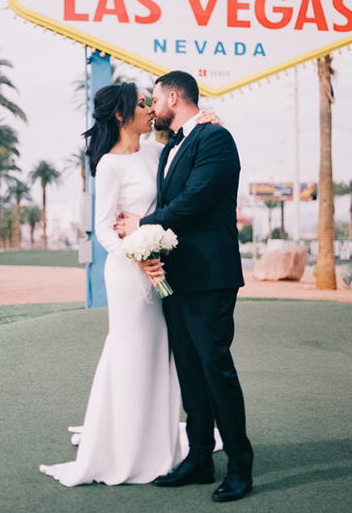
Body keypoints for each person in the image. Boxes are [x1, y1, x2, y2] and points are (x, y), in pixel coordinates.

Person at [39, 82, 219, 487]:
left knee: (162, 358)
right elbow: (103, 230)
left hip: (162, 271)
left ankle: (160, 443)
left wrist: (207, 120)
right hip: (130, 275)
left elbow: (186, 148)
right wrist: (137, 257)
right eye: (142, 104)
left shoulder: (158, 151)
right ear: (122, 116)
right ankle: (126, 447)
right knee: (131, 354)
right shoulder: (109, 165)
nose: (149, 110)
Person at [117, 71, 254, 503]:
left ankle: (240, 466)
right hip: (174, 277)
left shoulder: (215, 140)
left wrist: (142, 225)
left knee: (215, 367)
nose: (152, 108)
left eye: (154, 100)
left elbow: (194, 200)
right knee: (190, 371)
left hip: (210, 277)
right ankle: (199, 459)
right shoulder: (171, 145)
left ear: (173, 98)